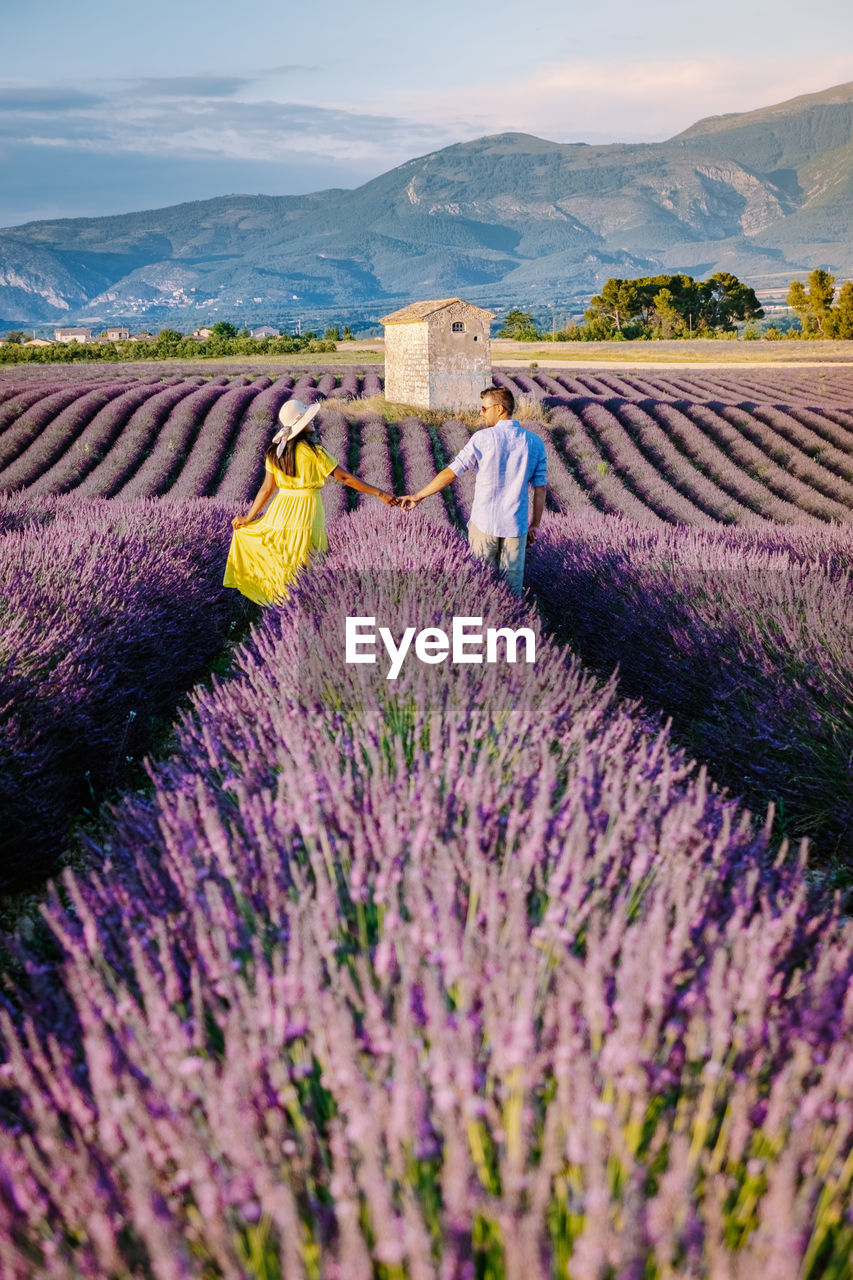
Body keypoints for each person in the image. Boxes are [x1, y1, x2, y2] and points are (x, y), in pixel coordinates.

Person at [224, 398, 397, 605]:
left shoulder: (274, 453)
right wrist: (380, 493)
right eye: (308, 418)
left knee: (282, 560)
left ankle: (279, 607)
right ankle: (300, 609)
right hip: (306, 512)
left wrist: (248, 517)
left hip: (280, 511)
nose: (313, 421)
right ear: (300, 425)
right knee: (307, 560)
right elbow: (345, 478)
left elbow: (266, 489)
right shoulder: (315, 453)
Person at [399, 385, 546, 595]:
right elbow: (540, 489)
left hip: (484, 524)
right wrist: (535, 525)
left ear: (500, 409)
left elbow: (451, 472)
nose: (481, 413)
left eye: (484, 409)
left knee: (481, 589)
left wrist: (419, 496)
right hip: (516, 526)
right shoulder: (535, 443)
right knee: (512, 593)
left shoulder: (482, 439)